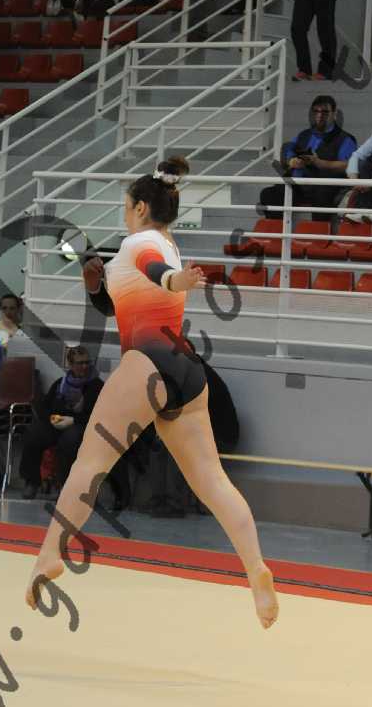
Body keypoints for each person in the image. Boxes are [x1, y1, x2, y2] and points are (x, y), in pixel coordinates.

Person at [23, 155, 280, 632]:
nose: (124, 215)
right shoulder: (167, 243)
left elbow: (156, 271)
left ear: (141, 207)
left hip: (146, 363)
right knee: (213, 482)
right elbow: (123, 297)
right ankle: (255, 568)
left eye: (126, 207)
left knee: (89, 464)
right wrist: (94, 285)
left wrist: (178, 280)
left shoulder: (140, 243)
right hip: (186, 369)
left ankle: (49, 555)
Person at [19, 345, 129, 508]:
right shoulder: (60, 384)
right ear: (70, 365)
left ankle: (66, 487)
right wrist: (52, 418)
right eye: (80, 363)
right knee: (33, 434)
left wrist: (73, 419)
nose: (84, 366)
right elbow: (46, 408)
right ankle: (32, 481)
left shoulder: (96, 386)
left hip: (84, 425)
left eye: (87, 363)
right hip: (58, 423)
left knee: (69, 441)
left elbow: (97, 415)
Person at [145, 336, 240, 518]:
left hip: (220, 436)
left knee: (175, 448)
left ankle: (173, 503)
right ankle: (158, 500)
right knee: (158, 446)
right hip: (197, 430)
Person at [259, 94, 356, 218]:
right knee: (268, 194)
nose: (319, 115)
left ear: (334, 114)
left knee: (322, 196)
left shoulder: (345, 139)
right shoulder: (304, 135)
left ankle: (318, 230)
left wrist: (319, 162)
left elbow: (347, 165)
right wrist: (291, 160)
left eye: (325, 112)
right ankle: (279, 230)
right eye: (316, 111)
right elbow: (289, 147)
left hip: (325, 187)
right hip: (299, 185)